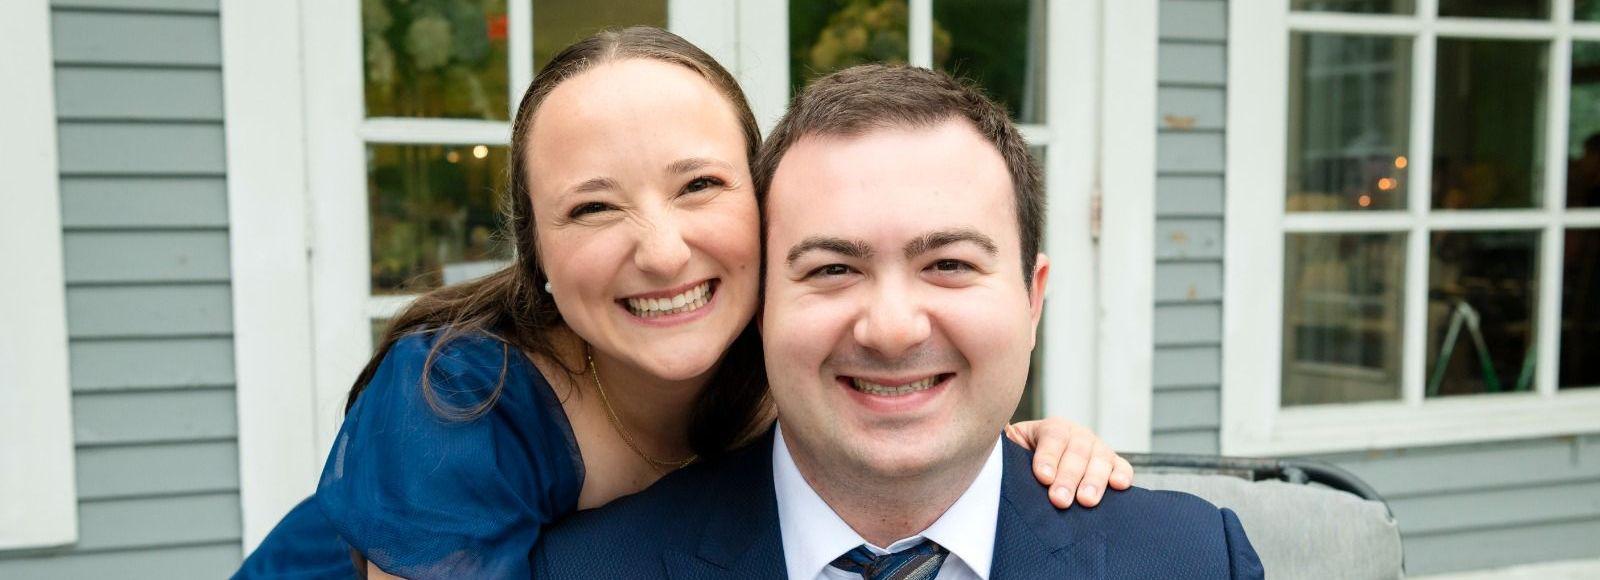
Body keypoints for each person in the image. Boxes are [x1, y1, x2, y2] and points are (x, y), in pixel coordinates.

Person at [236, 28, 1133, 580]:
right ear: (536, 255)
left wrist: (1024, 443)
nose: (662, 252)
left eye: (699, 186)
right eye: (593, 208)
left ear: (767, 209)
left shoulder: (789, 358)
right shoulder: (457, 405)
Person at [533, 64, 1264, 579]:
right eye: (832, 269)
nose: (891, 329)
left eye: (948, 264)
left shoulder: (1193, 559)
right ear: (761, 308)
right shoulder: (585, 569)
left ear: (1031, 299)